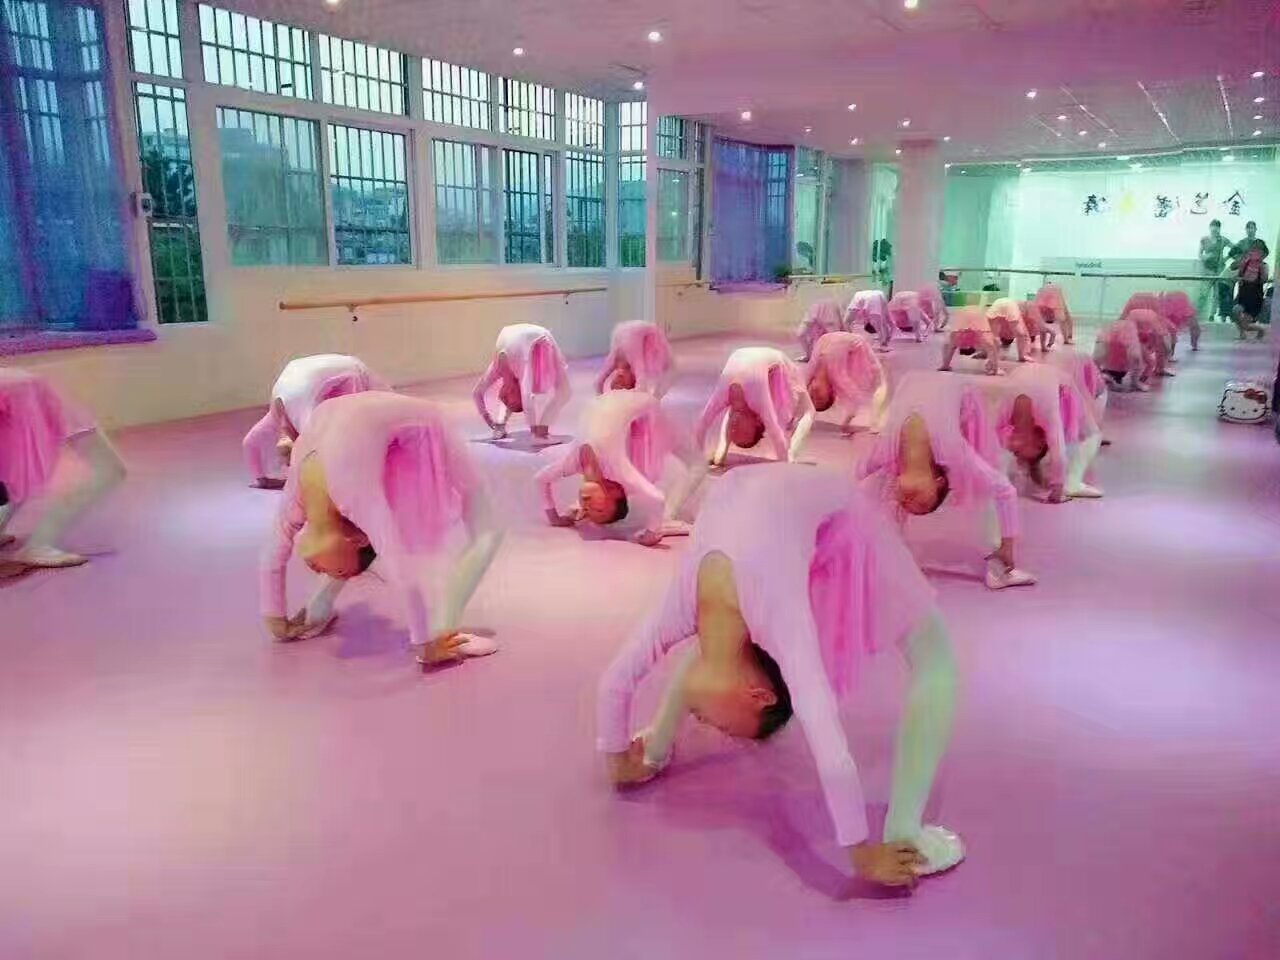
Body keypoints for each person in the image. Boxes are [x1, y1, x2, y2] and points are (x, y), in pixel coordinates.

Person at [598, 464, 963, 888]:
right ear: (757, 695)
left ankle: (904, 834)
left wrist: (863, 853)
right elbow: (826, 739)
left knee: (935, 656)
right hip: (781, 506)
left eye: (723, 728)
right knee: (722, 642)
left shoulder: (711, 610)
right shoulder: (758, 616)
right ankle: (655, 750)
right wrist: (619, 762)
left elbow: (616, 680)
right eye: (726, 726)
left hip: (837, 512)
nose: (710, 726)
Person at [261, 392, 504, 666]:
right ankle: (321, 609)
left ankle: (444, 630)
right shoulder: (334, 496)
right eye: (338, 571)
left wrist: (424, 644)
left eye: (340, 572)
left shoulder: (330, 496)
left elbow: (399, 563)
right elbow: (272, 554)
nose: (321, 571)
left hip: (427, 424)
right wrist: (276, 622)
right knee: (387, 529)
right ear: (356, 538)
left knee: (489, 530)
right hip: (368, 425)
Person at [858, 372, 1032, 589]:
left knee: (986, 475)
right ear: (939, 481)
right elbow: (1005, 490)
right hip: (958, 393)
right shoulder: (952, 449)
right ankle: (999, 566)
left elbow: (859, 474)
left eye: (908, 504)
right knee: (987, 472)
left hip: (923, 383)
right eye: (922, 503)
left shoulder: (886, 451)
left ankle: (998, 568)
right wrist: (1008, 546)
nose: (910, 502)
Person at [535, 391, 706, 546]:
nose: (587, 506)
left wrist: (553, 517)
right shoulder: (618, 468)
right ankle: (666, 518)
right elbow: (658, 498)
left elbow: (540, 479)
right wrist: (652, 532)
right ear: (614, 493)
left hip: (625, 407)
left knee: (695, 466)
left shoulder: (574, 462)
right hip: (649, 415)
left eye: (587, 510)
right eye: (599, 509)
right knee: (698, 465)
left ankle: (665, 518)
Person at [0, 369, 127, 578]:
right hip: (24, 396)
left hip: (21, 394)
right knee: (109, 469)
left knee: (21, 473)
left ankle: (37, 543)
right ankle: (39, 544)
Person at [243, 354, 389, 489]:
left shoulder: (297, 414)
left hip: (344, 370)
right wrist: (262, 479)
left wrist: (261, 478)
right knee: (350, 425)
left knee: (359, 423)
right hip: (310, 374)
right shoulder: (284, 413)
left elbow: (250, 442)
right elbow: (250, 442)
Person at [987, 363, 1103, 502]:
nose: (1014, 451)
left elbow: (1059, 451)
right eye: (1017, 453)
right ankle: (1054, 475)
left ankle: (1073, 482)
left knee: (1091, 434)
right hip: (1039, 377)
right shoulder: (1006, 412)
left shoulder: (1046, 412)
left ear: (1040, 444)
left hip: (1060, 384)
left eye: (1016, 453)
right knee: (1084, 434)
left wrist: (1057, 489)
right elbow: (985, 439)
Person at [695, 346, 816, 467]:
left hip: (754, 359)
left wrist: (700, 458)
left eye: (733, 433)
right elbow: (776, 435)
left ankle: (722, 451)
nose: (735, 429)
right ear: (758, 421)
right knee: (809, 410)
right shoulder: (759, 403)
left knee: (737, 407)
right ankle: (792, 456)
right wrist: (785, 462)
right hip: (781, 364)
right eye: (743, 433)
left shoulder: (723, 398)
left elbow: (702, 423)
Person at [473, 323, 571, 441]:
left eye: (505, 398)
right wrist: (536, 430)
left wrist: (489, 420)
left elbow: (476, 393)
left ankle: (507, 425)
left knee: (565, 392)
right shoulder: (521, 369)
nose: (502, 396)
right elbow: (527, 399)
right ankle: (541, 430)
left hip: (523, 337)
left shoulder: (497, 369)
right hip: (537, 339)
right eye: (508, 399)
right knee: (565, 392)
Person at [805, 331, 888, 435]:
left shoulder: (811, 371)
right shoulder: (838, 376)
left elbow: (799, 391)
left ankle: (876, 423)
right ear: (831, 392)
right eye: (819, 398)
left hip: (838, 340)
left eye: (812, 397)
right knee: (879, 379)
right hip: (854, 345)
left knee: (880, 380)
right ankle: (875, 423)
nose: (814, 393)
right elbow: (854, 398)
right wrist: (846, 423)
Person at [594, 321, 675, 398]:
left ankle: (656, 396)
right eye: (623, 384)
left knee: (667, 371)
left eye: (615, 382)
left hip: (627, 330)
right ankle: (656, 396)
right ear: (633, 380)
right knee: (666, 370)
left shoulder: (615, 361)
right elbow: (641, 382)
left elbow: (599, 380)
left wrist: (601, 397)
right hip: (640, 331)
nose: (619, 379)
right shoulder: (635, 363)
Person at [939, 306, 1001, 376]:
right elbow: (992, 347)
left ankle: (992, 365)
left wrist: (945, 365)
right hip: (971, 314)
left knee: (990, 345)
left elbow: (947, 347)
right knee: (990, 345)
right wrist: (995, 368)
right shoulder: (980, 336)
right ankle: (992, 365)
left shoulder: (957, 337)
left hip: (969, 315)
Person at [1092, 317, 1149, 393]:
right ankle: (1108, 376)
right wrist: (1136, 381)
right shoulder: (1131, 334)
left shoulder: (1109, 331)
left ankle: (1105, 375)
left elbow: (1096, 358)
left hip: (1106, 364)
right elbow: (1136, 357)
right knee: (1136, 359)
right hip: (1112, 365)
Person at [1232, 240, 1270, 340]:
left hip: (1254, 298)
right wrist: (1241, 261)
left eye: (1258, 250)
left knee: (1246, 324)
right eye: (1254, 249)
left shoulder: (1264, 265)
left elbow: (1264, 279)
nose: (1255, 252)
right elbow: (1237, 272)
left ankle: (1260, 329)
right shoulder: (1245, 263)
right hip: (1243, 294)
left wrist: (1259, 266)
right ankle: (1242, 333)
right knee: (1235, 311)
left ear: (1263, 253)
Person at [1199, 219, 1234, 322]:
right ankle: (1199, 313)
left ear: (1219, 228)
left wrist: (1226, 258)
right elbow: (1200, 254)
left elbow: (1235, 248)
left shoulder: (1223, 240)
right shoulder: (1204, 239)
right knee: (1204, 293)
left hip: (1219, 270)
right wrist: (1206, 256)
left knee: (1216, 294)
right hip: (1207, 270)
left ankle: (1211, 314)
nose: (1215, 229)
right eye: (1213, 226)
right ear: (1210, 227)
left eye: (1217, 227)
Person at [985, 297, 1032, 363]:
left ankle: (992, 359)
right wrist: (1024, 354)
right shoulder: (1014, 315)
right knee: (1020, 334)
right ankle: (1022, 356)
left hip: (998, 303)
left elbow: (1023, 335)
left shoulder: (1006, 324)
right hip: (1005, 304)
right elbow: (1024, 335)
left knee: (994, 336)